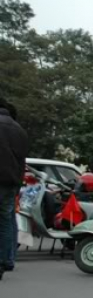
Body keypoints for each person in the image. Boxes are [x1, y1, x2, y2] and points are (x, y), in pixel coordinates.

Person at [0, 99, 29, 280]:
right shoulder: (20, 131)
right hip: (11, 182)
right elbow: (22, 161)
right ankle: (6, 261)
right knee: (6, 221)